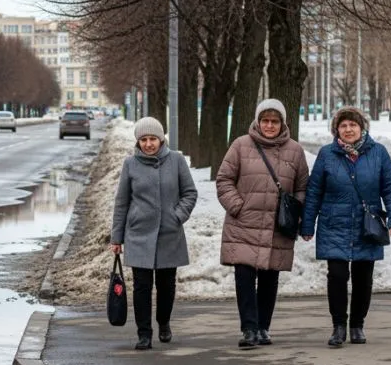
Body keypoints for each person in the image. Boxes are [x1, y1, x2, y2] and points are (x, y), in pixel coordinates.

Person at [301, 107, 391, 347]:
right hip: (333, 223)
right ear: (336, 129)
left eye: (353, 125)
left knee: (363, 277)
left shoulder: (378, 153)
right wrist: (308, 224)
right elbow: (314, 191)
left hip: (367, 226)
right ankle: (338, 326)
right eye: (343, 125)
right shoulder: (327, 154)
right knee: (337, 275)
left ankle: (357, 325)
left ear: (362, 128)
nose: (348, 129)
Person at [216, 99, 310, 349]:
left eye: (275, 121)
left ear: (282, 123)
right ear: (258, 121)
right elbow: (224, 180)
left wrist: (296, 214)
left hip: (276, 226)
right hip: (244, 224)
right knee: (244, 277)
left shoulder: (295, 151)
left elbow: (302, 187)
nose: (269, 125)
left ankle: (263, 327)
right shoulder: (240, 145)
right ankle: (248, 329)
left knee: (270, 278)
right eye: (265, 120)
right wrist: (238, 206)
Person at [110, 117, 198, 351]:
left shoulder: (176, 160)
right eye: (144, 140)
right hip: (139, 234)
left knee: (166, 285)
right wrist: (116, 238)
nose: (149, 144)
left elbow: (190, 193)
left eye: (153, 139)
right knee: (142, 286)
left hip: (169, 234)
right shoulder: (130, 164)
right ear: (138, 142)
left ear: (161, 139)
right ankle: (144, 333)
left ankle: (164, 322)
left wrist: (177, 216)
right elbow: (122, 203)